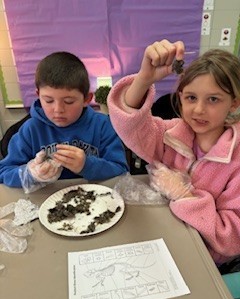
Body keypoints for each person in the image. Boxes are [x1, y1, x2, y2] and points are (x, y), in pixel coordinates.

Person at [107, 39, 240, 266]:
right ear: (180, 98)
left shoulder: (235, 161)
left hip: (205, 264)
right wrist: (144, 79)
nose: (199, 109)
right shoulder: (170, 135)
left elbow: (231, 237)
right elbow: (129, 126)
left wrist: (185, 195)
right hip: (160, 242)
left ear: (234, 103)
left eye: (214, 99)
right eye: (191, 98)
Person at [0, 51, 128, 193]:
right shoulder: (31, 130)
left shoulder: (103, 126)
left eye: (68, 101)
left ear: (86, 99)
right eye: (48, 101)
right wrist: (30, 174)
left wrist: (86, 165)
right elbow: (4, 172)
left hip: (95, 201)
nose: (58, 109)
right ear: (38, 96)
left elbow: (121, 170)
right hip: (44, 202)